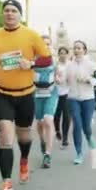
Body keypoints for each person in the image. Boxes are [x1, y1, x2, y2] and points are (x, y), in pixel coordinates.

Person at [0, 0, 52, 190]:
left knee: (24, 137)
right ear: (3, 14)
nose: (9, 14)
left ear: (20, 15)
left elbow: (47, 58)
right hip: (1, 93)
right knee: (4, 135)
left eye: (14, 11)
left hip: (26, 94)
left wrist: (31, 63)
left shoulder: (30, 35)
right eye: (6, 10)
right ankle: (6, 184)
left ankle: (25, 160)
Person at [65, 40, 96, 164]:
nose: (77, 50)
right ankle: (79, 153)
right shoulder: (69, 65)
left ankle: (89, 137)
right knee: (77, 125)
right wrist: (59, 79)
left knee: (86, 127)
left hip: (88, 98)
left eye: (79, 48)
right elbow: (64, 80)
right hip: (73, 97)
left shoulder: (92, 64)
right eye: (75, 48)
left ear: (84, 50)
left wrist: (88, 79)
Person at [34, 35, 59, 169]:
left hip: (51, 93)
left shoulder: (54, 60)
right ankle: (42, 141)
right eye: (43, 44)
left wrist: (59, 78)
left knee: (48, 120)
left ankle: (47, 154)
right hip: (37, 94)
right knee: (39, 122)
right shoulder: (33, 59)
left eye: (48, 44)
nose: (46, 46)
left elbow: (59, 75)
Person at [54, 47, 71, 149]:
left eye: (64, 53)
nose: (63, 55)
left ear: (67, 54)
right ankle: (57, 130)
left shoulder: (70, 65)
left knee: (66, 115)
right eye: (61, 53)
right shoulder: (56, 65)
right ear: (58, 54)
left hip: (67, 92)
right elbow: (53, 75)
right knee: (56, 115)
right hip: (56, 92)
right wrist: (56, 78)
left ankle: (65, 138)